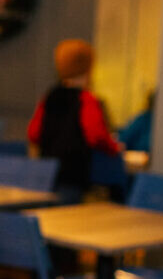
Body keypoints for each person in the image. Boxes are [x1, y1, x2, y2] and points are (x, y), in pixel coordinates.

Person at [27, 38, 121, 204]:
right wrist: (114, 147)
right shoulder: (86, 99)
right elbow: (96, 136)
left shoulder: (49, 97)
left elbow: (33, 133)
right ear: (88, 70)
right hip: (72, 175)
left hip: (47, 173)